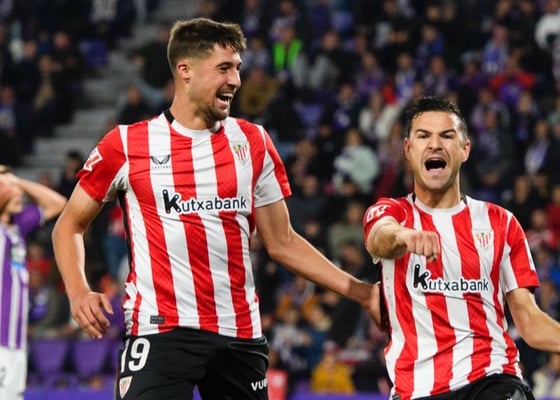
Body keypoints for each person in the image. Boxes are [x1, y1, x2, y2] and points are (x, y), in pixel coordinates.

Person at [52, 17, 380, 400]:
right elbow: (68, 225)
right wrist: (79, 291)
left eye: (237, 68)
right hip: (161, 331)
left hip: (238, 334)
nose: (235, 80)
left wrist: (363, 293)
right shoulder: (126, 144)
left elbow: (283, 242)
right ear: (185, 71)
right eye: (224, 68)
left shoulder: (253, 141)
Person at [363, 95, 560, 400]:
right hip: (418, 390)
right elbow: (379, 237)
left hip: (492, 379)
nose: (435, 144)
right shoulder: (392, 213)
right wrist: (404, 237)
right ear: (408, 149)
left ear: (464, 149)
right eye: (423, 136)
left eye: (447, 135)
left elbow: (531, 323)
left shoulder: (501, 222)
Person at [0, 166, 67, 399]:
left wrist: (16, 181)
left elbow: (58, 203)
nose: (19, 194)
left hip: (16, 341)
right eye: (9, 188)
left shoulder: (17, 228)